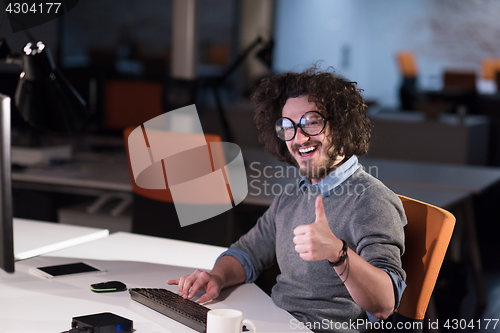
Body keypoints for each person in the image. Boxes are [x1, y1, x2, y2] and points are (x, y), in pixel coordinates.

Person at [167, 67, 407, 332]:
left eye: (311, 122)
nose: (298, 138)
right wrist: (217, 276)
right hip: (274, 322)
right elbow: (247, 253)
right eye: (288, 127)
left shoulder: (371, 199)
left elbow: (384, 304)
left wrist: (338, 254)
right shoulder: (294, 194)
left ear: (341, 126)